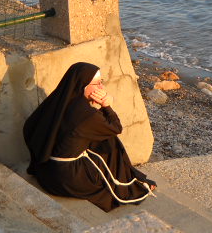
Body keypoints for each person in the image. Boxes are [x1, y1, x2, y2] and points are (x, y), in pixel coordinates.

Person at [23, 62, 156, 211]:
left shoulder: (58, 101)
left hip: (46, 173)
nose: (101, 88)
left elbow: (29, 126)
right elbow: (115, 128)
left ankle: (129, 175)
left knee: (102, 135)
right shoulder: (87, 115)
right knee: (111, 140)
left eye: (101, 82)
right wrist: (107, 106)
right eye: (97, 83)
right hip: (66, 179)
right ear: (83, 84)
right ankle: (125, 183)